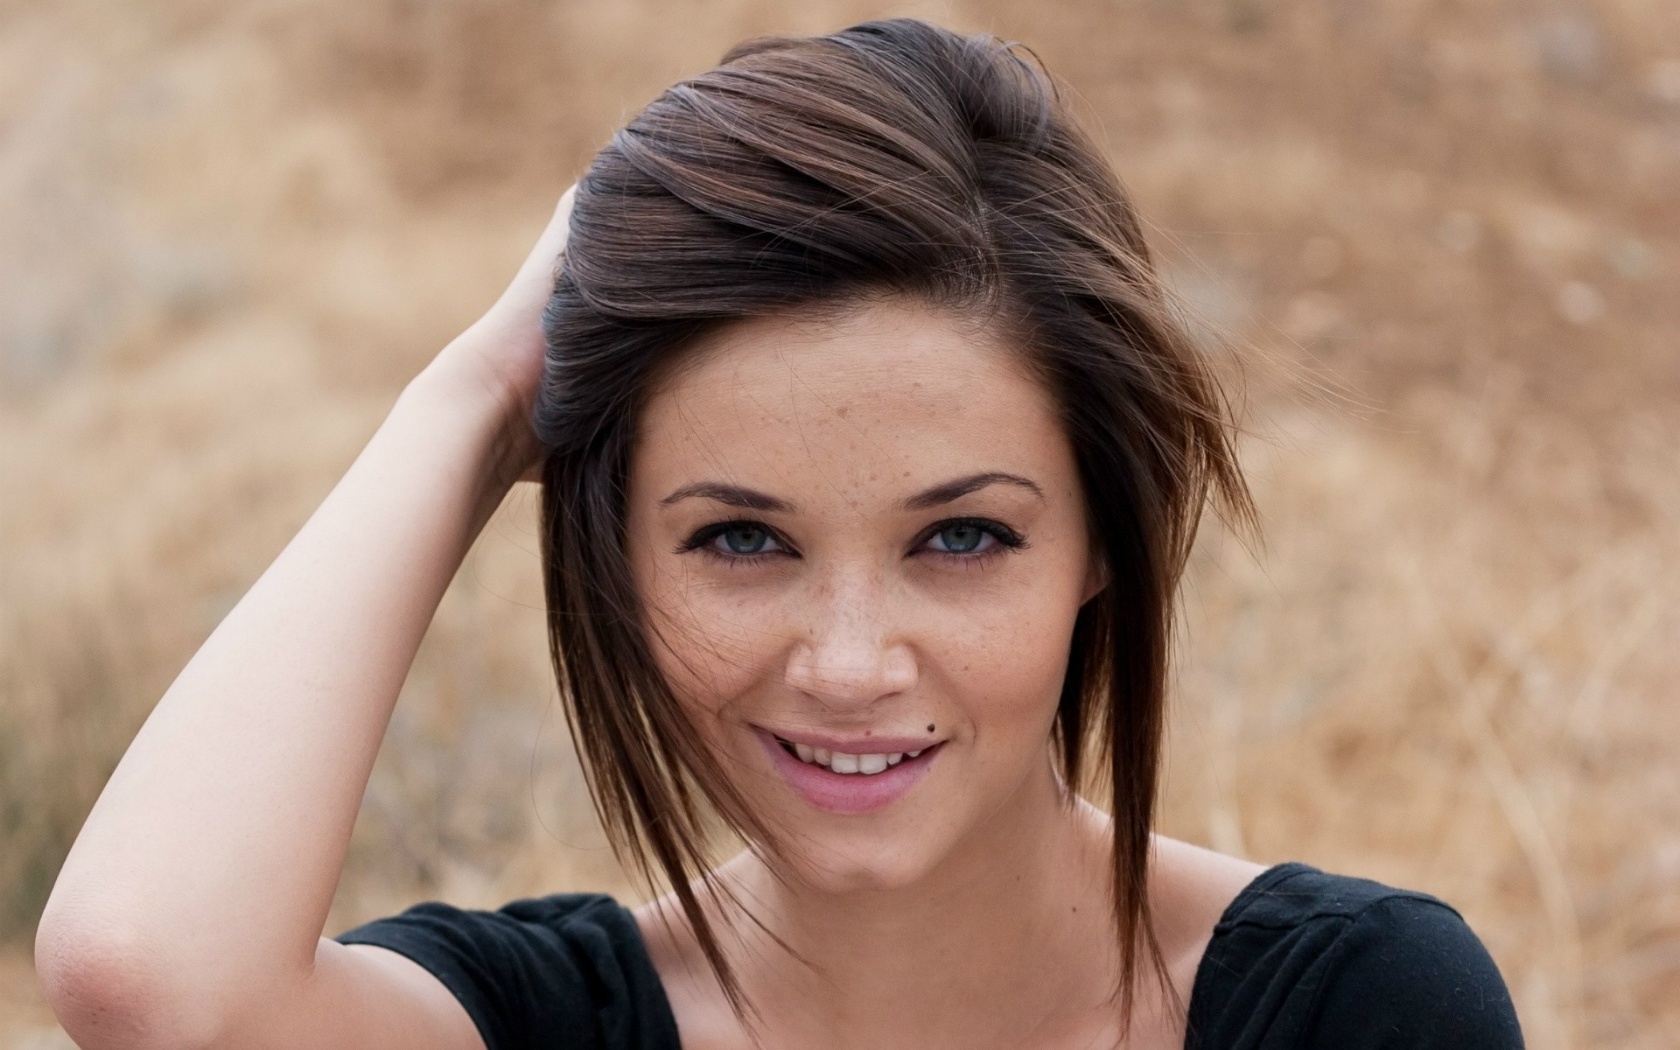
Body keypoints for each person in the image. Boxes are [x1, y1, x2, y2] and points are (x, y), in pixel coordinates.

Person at [35, 18, 1524, 1050]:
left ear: (1102, 546)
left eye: (961, 540)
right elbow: (154, 980)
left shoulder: (1347, 1006)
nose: (853, 661)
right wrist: (481, 397)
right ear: (618, 560)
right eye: (742, 539)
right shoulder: (547, 1020)